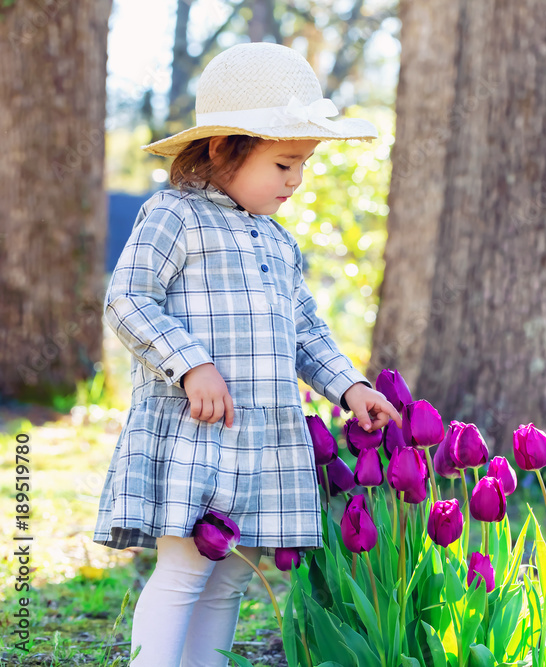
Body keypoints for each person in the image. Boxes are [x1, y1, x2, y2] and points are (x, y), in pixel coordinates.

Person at [92, 42, 401, 667]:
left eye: (304, 164)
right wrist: (191, 363)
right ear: (220, 148)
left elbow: (304, 329)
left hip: (264, 437)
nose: (297, 180)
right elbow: (127, 300)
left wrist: (349, 387)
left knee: (231, 574)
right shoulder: (172, 215)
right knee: (183, 570)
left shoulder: (277, 240)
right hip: (194, 432)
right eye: (285, 163)